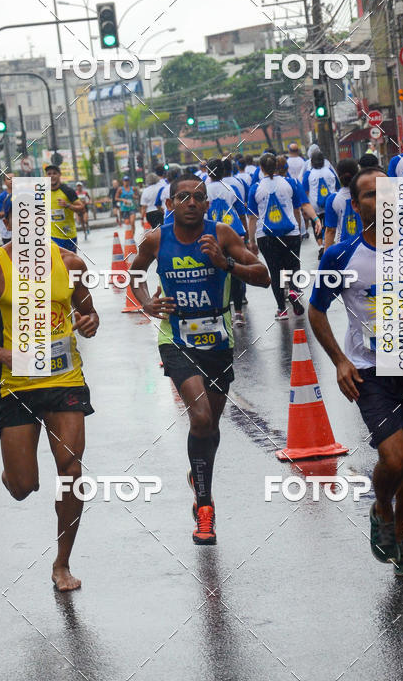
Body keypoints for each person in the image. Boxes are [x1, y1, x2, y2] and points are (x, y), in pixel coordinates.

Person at [309, 167, 403, 576]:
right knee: (395, 459)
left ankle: (400, 535)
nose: (381, 200)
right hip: (371, 369)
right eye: (370, 194)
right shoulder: (340, 256)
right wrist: (341, 361)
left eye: (386, 192)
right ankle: (381, 509)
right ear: (356, 205)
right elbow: (316, 310)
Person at [0, 198, 99, 591]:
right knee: (23, 487)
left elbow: (89, 312)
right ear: (8, 223)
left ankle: (62, 563)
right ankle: (15, 472)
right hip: (15, 385)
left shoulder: (70, 264)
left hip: (64, 380)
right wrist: (4, 355)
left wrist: (89, 321)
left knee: (71, 471)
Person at [129, 172, 270, 544]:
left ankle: (198, 474)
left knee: (210, 429)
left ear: (207, 203)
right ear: (170, 204)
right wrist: (146, 303)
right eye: (183, 197)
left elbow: (263, 276)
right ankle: (205, 509)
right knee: (202, 417)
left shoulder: (222, 234)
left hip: (218, 341)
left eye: (198, 197)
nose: (191, 202)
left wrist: (226, 264)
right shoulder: (157, 239)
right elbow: (134, 274)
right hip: (175, 338)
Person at [247, 152, 320, 320]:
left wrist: (251, 241)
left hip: (266, 236)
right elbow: (301, 207)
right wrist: (313, 221)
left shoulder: (255, 188)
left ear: (261, 168)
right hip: (290, 233)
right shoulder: (291, 183)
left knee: (275, 271)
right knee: (293, 266)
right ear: (277, 166)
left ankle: (282, 310)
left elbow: (252, 218)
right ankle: (294, 290)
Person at [206, 158, 248, 325]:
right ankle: (238, 313)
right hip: (233, 235)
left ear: (208, 172)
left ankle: (220, 313)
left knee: (215, 275)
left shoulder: (203, 190)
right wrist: (247, 236)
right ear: (223, 171)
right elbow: (241, 214)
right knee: (235, 273)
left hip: (212, 236)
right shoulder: (232, 189)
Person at [323, 158, 363, 250]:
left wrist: (327, 255)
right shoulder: (365, 194)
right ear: (357, 173)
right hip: (366, 247)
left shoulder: (332, 199)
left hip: (343, 249)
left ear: (339, 175)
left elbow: (330, 231)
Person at [46, 164, 84, 252]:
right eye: (49, 174)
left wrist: (67, 205)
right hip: (52, 237)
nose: (52, 176)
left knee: (71, 260)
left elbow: (81, 207)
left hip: (69, 235)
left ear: (59, 175)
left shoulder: (67, 191)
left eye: (54, 173)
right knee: (57, 259)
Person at [0, 173, 13, 244]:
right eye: (9, 179)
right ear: (5, 182)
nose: (12, 180)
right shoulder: (1, 197)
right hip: (7, 235)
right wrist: (8, 212)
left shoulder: (22, 194)